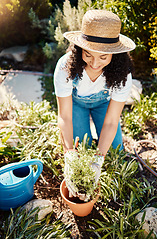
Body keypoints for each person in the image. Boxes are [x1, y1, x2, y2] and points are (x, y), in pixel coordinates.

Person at [54, 10, 136, 199]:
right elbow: (64, 116)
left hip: (103, 105)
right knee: (79, 147)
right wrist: (69, 153)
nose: (95, 63)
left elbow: (111, 121)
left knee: (115, 152)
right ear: (79, 49)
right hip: (75, 105)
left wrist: (99, 160)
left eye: (103, 57)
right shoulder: (65, 67)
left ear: (114, 55)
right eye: (88, 54)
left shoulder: (123, 75)